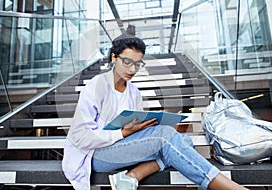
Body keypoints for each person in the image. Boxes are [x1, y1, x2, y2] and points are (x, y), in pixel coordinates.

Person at [62, 34, 248, 190]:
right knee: (166, 139)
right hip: (92, 154)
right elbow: (80, 136)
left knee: (182, 140)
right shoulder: (96, 87)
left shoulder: (133, 92)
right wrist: (122, 132)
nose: (132, 69)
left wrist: (141, 127)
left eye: (137, 64)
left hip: (120, 147)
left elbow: (133, 128)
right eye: (127, 62)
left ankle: (131, 177)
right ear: (113, 58)